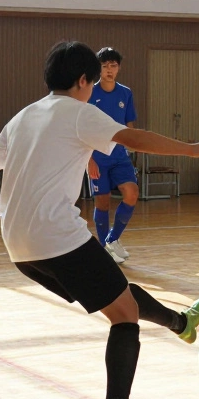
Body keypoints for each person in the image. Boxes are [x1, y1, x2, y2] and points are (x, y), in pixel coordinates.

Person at [0, 41, 199, 399]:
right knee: (123, 316)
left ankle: (181, 322)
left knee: (117, 294)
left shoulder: (24, 116)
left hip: (19, 247)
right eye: (92, 81)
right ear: (82, 81)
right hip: (57, 236)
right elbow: (135, 138)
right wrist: (191, 149)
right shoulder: (80, 112)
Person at [86, 47, 139, 264]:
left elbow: (130, 125)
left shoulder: (125, 93)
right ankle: (102, 249)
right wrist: (88, 159)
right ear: (99, 68)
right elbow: (83, 128)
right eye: (105, 65)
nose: (109, 69)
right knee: (103, 202)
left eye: (113, 65)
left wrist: (134, 144)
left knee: (132, 192)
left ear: (119, 68)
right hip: (97, 156)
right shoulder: (90, 93)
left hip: (119, 155)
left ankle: (112, 239)